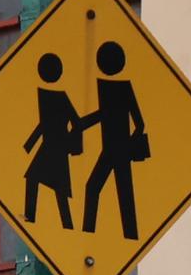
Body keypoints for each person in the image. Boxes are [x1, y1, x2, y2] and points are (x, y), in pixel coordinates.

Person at [81, 37, 151, 238]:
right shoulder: (119, 87)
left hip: (115, 149)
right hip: (115, 149)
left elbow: (104, 115)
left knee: (97, 188)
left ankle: (89, 234)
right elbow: (137, 122)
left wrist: (81, 124)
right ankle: (97, 234)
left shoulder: (113, 88)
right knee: (118, 194)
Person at [20, 50, 86, 225]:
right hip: (50, 146)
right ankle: (37, 219)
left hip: (54, 148)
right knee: (45, 184)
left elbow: (76, 122)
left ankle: (62, 224)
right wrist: (29, 143)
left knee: (57, 189)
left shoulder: (58, 97)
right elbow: (44, 123)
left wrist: (69, 143)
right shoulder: (48, 96)